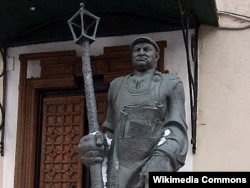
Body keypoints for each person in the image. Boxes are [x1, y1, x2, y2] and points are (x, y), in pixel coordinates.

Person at [77, 36, 189, 188]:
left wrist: (163, 157)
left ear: (156, 56)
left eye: (146, 49)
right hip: (119, 166)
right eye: (137, 50)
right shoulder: (117, 85)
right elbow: (110, 132)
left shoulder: (171, 83)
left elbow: (177, 129)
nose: (141, 53)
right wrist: (96, 145)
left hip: (151, 160)